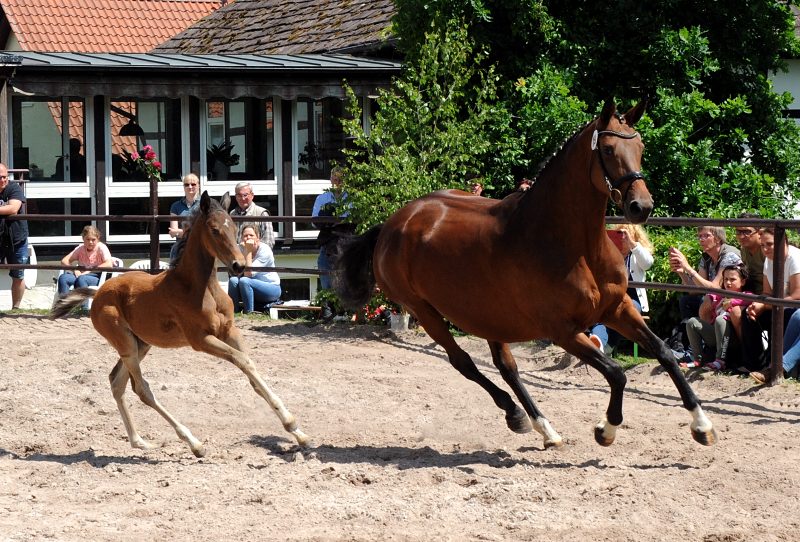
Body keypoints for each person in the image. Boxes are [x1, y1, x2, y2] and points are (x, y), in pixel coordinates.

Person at [587, 224, 654, 354]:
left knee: (620, 312)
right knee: (602, 313)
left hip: (633, 299)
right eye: (620, 235)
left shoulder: (637, 255)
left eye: (626, 235)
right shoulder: (610, 256)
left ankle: (606, 347)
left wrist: (633, 245)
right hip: (612, 297)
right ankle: (597, 342)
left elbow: (647, 263)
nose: (623, 239)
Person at [741, 228, 800, 374]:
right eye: (762, 245)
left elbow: (796, 296)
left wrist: (766, 306)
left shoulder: (794, 258)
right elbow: (767, 292)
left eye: (769, 244)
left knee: (786, 314)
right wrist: (759, 305)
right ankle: (753, 365)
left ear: (783, 243)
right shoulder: (769, 259)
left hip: (791, 306)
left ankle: (774, 365)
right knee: (748, 314)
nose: (765, 249)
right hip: (778, 304)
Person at [681, 264, 752, 372]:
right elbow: (712, 294)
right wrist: (709, 297)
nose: (728, 283)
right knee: (692, 322)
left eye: (732, 279)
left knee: (720, 319)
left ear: (742, 282)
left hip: (733, 338)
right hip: (717, 334)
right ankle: (698, 359)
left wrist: (732, 302)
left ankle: (720, 361)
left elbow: (750, 299)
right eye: (726, 279)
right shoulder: (721, 295)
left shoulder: (745, 294)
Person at [669, 226, 741, 320]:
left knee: (703, 301)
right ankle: (688, 332)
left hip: (730, 300)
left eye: (706, 236)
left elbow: (716, 288)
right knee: (686, 301)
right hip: (713, 298)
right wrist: (682, 272)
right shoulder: (707, 257)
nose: (701, 240)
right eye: (700, 236)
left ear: (718, 238)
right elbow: (695, 290)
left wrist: (688, 268)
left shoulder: (729, 256)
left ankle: (704, 332)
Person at [728, 214, 765, 345]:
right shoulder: (744, 251)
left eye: (747, 232)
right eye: (739, 231)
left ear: (759, 232)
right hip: (753, 296)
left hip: (769, 299)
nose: (742, 236)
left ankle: (752, 360)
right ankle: (742, 356)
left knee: (737, 313)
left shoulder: (766, 250)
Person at [228, 225, 281, 314]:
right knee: (233, 280)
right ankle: (233, 313)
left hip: (271, 288)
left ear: (258, 237)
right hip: (246, 287)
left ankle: (249, 313)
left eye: (251, 235)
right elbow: (234, 273)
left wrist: (247, 250)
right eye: (245, 236)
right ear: (241, 238)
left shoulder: (265, 250)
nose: (248, 237)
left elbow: (249, 274)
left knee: (245, 280)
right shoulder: (238, 248)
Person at [0, 163, 29, 309]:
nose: (3, 180)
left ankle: (15, 309)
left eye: (5, 176)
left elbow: (13, 208)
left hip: (17, 238)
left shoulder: (14, 188)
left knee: (18, 275)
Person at [57, 225, 113, 296]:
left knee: (82, 279)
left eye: (93, 239)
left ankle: (85, 306)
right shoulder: (80, 248)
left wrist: (89, 270)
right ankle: (64, 305)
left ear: (98, 238)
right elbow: (64, 261)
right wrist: (75, 269)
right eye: (88, 239)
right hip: (80, 273)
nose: (90, 242)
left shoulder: (102, 248)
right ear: (83, 238)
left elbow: (109, 264)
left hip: (96, 275)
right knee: (64, 278)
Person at [230, 182, 274, 247]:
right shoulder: (232, 214)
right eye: (239, 195)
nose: (243, 198)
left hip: (255, 256)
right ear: (236, 197)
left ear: (252, 195)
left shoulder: (262, 213)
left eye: (245, 195)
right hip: (237, 256)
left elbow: (269, 242)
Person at [169, 174, 201, 257]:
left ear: (198, 186)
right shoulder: (175, 206)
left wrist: (179, 232)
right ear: (184, 186)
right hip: (181, 247)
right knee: (175, 249)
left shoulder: (204, 205)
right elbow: (172, 232)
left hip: (199, 246)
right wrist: (193, 233)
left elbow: (202, 233)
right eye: (187, 184)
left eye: (193, 184)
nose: (190, 187)